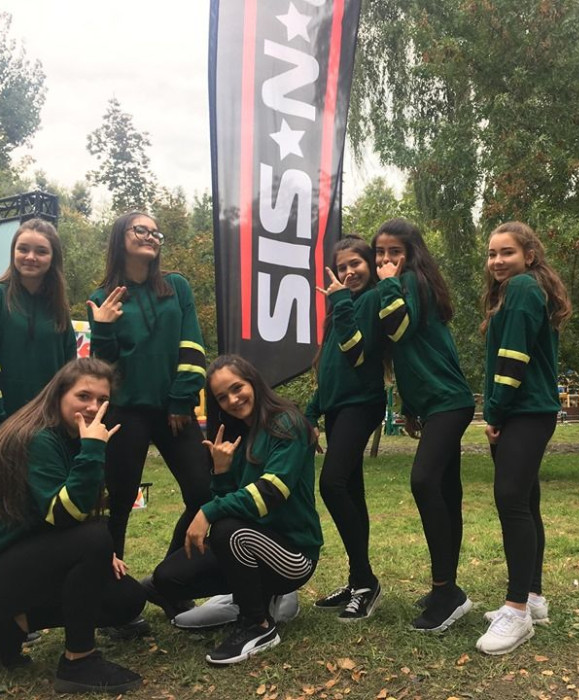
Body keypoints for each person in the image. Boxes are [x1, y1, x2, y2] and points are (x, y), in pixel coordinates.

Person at [148, 355, 322, 664]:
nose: (232, 399)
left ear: (253, 381)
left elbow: (271, 493)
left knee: (227, 530)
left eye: (237, 388)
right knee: (167, 578)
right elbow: (230, 502)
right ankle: (248, 597)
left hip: (294, 555)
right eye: (222, 397)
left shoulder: (287, 422)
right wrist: (221, 472)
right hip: (249, 542)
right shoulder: (237, 433)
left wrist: (207, 512)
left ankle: (259, 625)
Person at [0, 358, 145, 694]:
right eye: (83, 396)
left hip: (26, 558)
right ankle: (79, 661)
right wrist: (93, 449)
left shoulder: (72, 437)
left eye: (102, 399)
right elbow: (62, 514)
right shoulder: (40, 438)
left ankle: (12, 626)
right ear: (58, 395)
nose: (93, 406)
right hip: (8, 559)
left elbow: (79, 510)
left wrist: (100, 552)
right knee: (94, 539)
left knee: (126, 598)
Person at [87, 211, 211, 566]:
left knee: (204, 492)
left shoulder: (177, 286)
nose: (150, 236)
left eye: (156, 233)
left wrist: (181, 398)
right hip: (125, 411)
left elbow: (192, 346)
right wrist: (104, 329)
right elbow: (103, 369)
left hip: (175, 409)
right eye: (141, 229)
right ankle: (111, 588)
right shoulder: (103, 296)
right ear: (120, 237)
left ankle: (167, 579)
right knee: (119, 502)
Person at [372, 218, 475, 633]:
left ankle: (446, 592)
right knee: (447, 491)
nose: (385, 260)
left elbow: (398, 328)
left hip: (449, 402)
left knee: (424, 481)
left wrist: (387, 284)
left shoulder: (411, 281)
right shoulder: (407, 283)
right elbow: (413, 356)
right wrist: (411, 408)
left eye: (394, 252)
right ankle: (446, 588)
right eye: (379, 253)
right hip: (436, 406)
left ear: (411, 253)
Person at [477, 221, 572, 655]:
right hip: (531, 410)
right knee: (527, 503)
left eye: (507, 252)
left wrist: (495, 412)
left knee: (511, 501)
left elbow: (513, 358)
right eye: (492, 253)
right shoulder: (529, 289)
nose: (497, 261)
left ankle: (516, 612)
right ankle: (532, 597)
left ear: (529, 256)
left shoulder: (520, 288)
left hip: (524, 411)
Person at [306, 236, 386, 621]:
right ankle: (358, 580)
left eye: (356, 263)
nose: (349, 272)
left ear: (370, 264)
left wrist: (340, 302)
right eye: (342, 268)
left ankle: (366, 581)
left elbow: (356, 354)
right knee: (352, 490)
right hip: (338, 408)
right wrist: (311, 414)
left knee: (332, 484)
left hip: (362, 403)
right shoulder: (342, 306)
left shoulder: (370, 300)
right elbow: (329, 371)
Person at [0, 218, 77, 421]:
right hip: (6, 417)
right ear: (13, 252)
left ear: (53, 257)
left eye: (41, 251)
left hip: (49, 418)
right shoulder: (1, 296)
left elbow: (69, 367)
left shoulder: (59, 306)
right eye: (23, 249)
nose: (30, 257)